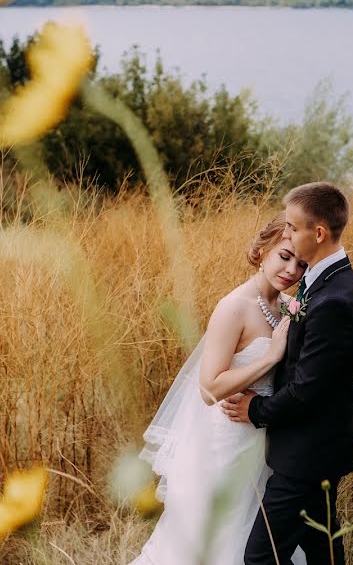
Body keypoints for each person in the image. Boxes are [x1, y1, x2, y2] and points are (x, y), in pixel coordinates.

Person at [129, 212, 308, 565]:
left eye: (301, 264)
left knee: (256, 539)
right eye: (284, 256)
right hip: (222, 446)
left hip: (262, 443)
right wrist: (270, 356)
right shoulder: (233, 308)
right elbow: (209, 388)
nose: (291, 270)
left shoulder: (288, 308)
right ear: (262, 251)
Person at [222, 182, 353, 565]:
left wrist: (254, 410)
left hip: (307, 456)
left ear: (317, 233)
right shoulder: (322, 282)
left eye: (291, 227)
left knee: (260, 557)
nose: (285, 232)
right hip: (313, 450)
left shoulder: (334, 299)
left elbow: (306, 390)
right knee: (323, 548)